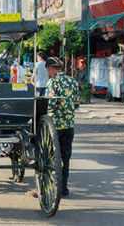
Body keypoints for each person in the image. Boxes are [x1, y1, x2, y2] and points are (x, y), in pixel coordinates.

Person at [44, 56, 79, 198]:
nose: (48, 73)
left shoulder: (52, 82)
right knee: (65, 157)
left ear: (51, 69)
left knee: (49, 156)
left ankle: (48, 186)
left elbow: (50, 104)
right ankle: (63, 188)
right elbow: (76, 103)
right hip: (69, 125)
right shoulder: (73, 82)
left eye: (48, 70)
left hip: (55, 125)